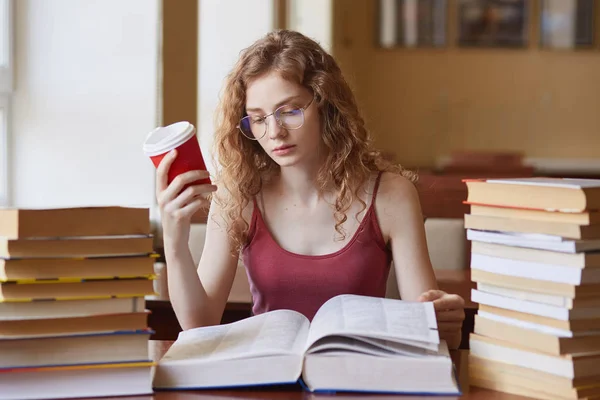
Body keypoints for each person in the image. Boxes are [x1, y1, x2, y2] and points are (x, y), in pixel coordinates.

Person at [156, 30, 465, 349]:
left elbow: (430, 324)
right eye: (257, 118)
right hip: (270, 379)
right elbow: (199, 323)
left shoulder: (391, 195)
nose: (274, 132)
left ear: (324, 103)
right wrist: (174, 240)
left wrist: (446, 321)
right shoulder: (239, 196)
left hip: (359, 378)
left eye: (289, 111)